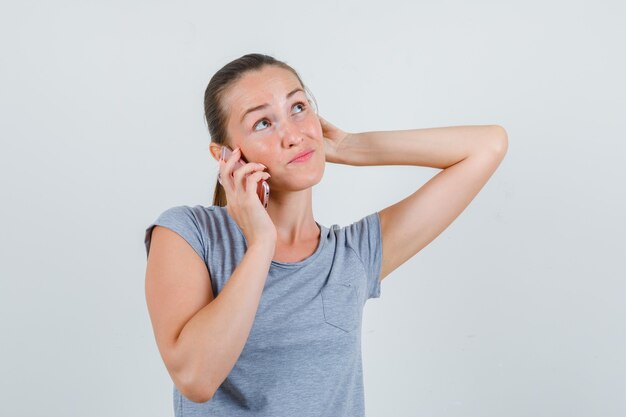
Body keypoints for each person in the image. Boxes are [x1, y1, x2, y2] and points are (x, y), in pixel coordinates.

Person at [143, 53, 508, 416]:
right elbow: (196, 378)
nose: (293, 135)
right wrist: (262, 243)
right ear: (224, 155)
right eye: (262, 123)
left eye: (298, 107)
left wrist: (350, 147)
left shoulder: (354, 254)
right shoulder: (187, 234)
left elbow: (487, 145)